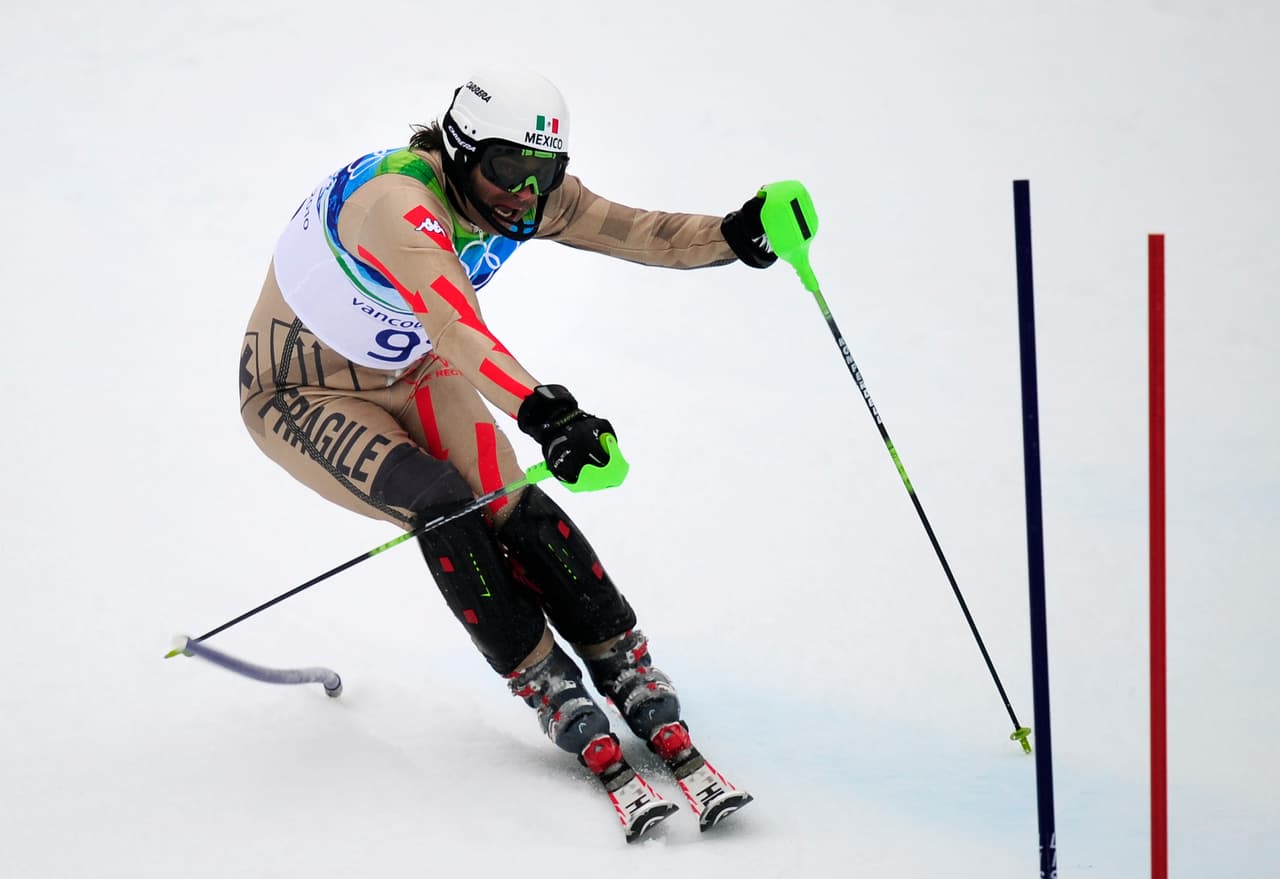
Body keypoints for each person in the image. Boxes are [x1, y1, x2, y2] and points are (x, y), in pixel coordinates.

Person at [239, 68, 778, 839]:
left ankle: (622, 659)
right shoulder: (398, 203)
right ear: (460, 150)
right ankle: (544, 679)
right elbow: (456, 325)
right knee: (442, 501)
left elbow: (634, 229)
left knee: (507, 497)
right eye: (506, 169)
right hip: (301, 391)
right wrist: (544, 411)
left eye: (544, 174)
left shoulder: (518, 192)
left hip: (411, 369)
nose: (524, 195)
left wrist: (734, 233)